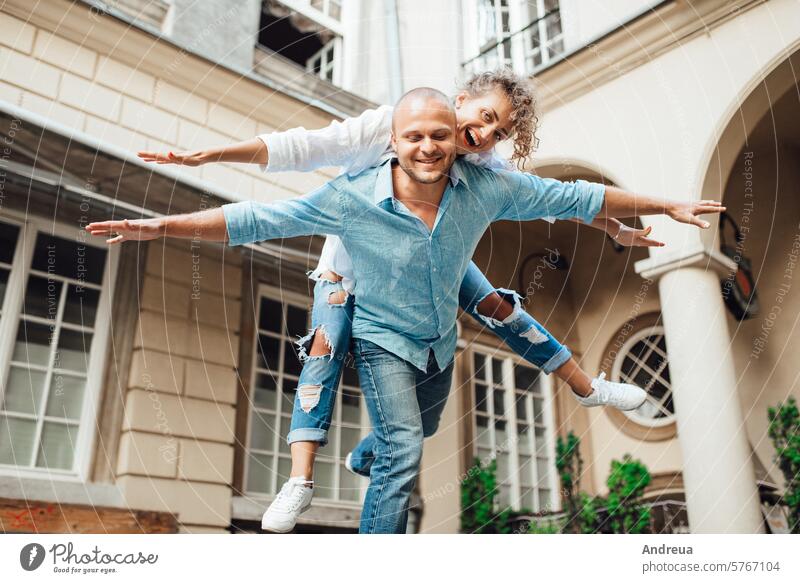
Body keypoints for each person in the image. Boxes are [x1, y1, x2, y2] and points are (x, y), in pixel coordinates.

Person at [87, 87, 724, 533]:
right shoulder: (371, 153)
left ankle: (582, 388)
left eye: (488, 134)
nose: (479, 135)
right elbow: (270, 193)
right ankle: (304, 479)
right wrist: (168, 215)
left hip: (434, 284)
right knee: (330, 360)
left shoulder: (483, 175)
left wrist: (652, 210)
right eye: (480, 120)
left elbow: (569, 194)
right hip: (356, 270)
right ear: (397, 138)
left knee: (496, 315)